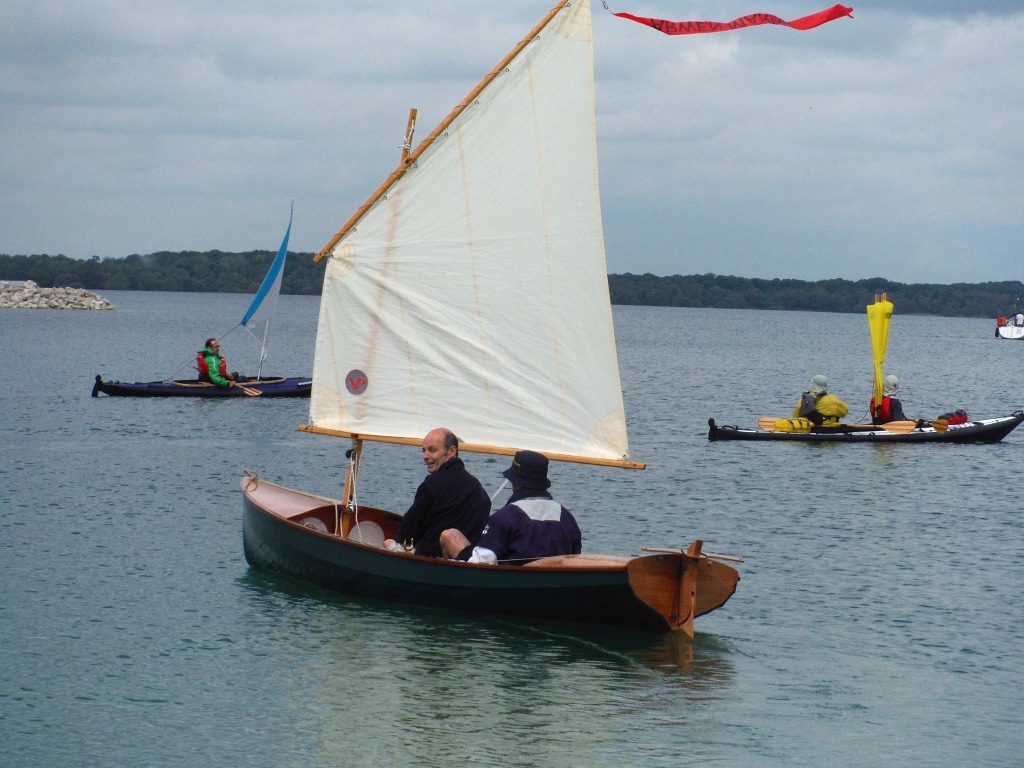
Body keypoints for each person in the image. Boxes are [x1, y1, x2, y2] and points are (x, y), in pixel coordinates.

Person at [439, 450, 581, 565]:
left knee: (449, 535)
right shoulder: (568, 519)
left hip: (511, 590)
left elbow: (480, 564)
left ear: (515, 483)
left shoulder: (503, 518)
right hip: (555, 589)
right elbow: (575, 560)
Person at [383, 428, 490, 558]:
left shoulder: (432, 485)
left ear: (451, 451)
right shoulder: (479, 490)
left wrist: (396, 541)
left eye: (432, 450)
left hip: (430, 560)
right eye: (424, 450)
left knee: (388, 543)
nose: (425, 456)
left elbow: (409, 530)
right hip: (468, 562)